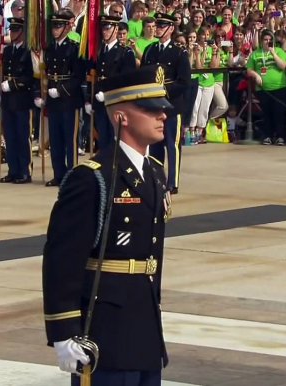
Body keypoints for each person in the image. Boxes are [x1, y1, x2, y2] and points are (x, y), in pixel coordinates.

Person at [42, 64, 173, 386]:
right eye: (150, 109)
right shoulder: (92, 179)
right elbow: (62, 259)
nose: (162, 116)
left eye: (162, 109)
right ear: (121, 117)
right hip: (104, 330)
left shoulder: (155, 171)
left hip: (144, 326)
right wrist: (63, 331)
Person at [141, 12, 190, 194]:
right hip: (154, 105)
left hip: (171, 105)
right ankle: (156, 178)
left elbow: (184, 82)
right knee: (154, 144)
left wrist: (164, 92)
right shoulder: (149, 50)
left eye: (162, 26)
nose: (158, 29)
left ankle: (172, 182)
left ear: (170, 29)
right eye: (157, 26)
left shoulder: (179, 53)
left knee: (172, 144)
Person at [40, 11, 84, 187]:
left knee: (69, 139)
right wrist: (44, 92)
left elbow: (78, 75)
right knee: (55, 139)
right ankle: (58, 173)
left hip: (69, 98)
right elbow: (47, 73)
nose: (55, 30)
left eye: (59, 26)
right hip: (53, 98)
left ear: (67, 27)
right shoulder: (50, 49)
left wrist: (62, 90)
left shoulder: (74, 48)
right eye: (54, 26)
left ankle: (71, 175)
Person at [85, 14, 137, 153]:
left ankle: (115, 173)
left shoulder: (125, 52)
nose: (105, 32)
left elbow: (125, 81)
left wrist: (108, 94)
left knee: (116, 141)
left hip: (116, 103)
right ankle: (104, 172)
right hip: (100, 103)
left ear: (115, 29)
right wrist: (88, 99)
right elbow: (92, 76)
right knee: (103, 140)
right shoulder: (98, 51)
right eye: (103, 29)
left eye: (108, 28)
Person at [0, 17, 35, 184]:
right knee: (10, 136)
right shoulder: (7, 51)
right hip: (8, 100)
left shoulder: (28, 52)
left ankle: (25, 171)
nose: (12, 32)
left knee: (23, 136)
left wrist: (13, 85)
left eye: (15, 29)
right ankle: (12, 170)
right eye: (11, 29)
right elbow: (2, 73)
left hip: (21, 99)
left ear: (22, 31)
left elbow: (29, 77)